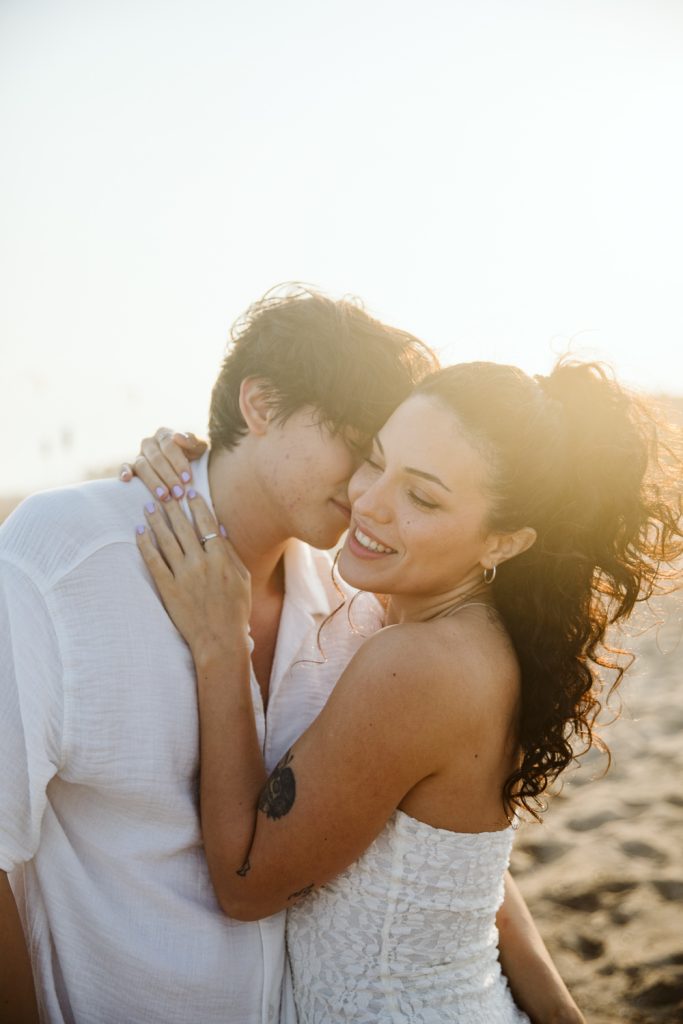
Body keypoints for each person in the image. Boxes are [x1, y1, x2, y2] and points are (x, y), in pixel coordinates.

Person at [0, 287, 579, 1024]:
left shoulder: (362, 595)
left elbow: (440, 860)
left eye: (405, 475)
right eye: (364, 450)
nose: (367, 493)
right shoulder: (61, 562)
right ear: (261, 406)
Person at [134, 358, 680, 1022]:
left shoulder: (419, 665)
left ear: (503, 541)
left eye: (422, 497)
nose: (368, 500)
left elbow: (246, 886)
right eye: (374, 458)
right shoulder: (469, 633)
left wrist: (221, 644)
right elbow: (477, 892)